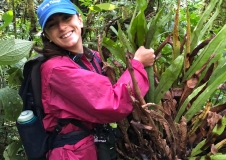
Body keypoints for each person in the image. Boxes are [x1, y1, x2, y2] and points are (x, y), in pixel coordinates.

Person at [34, 0, 155, 159]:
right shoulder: (56, 69)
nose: (62, 27)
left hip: (93, 144)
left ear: (80, 20)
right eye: (52, 25)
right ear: (47, 36)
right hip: (72, 153)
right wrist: (137, 65)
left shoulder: (92, 56)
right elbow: (112, 104)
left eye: (66, 18)